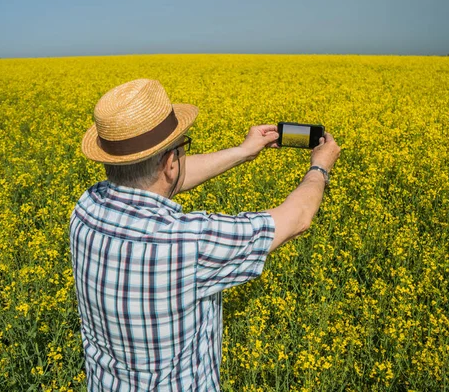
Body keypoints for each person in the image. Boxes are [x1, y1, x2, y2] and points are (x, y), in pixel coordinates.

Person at [69, 78, 340, 391]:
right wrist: (320, 167)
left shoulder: (87, 206)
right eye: (183, 149)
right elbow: (296, 219)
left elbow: (158, 179)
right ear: (170, 162)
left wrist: (243, 152)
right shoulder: (187, 242)